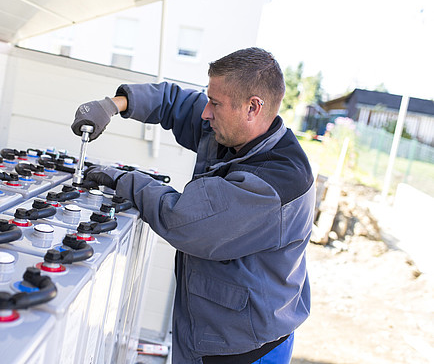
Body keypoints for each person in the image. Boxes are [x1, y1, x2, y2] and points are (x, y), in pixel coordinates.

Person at [72, 47, 314, 364]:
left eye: (215, 104)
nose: (205, 113)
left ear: (252, 107)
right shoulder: (234, 131)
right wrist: (112, 105)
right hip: (207, 331)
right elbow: (176, 103)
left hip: (242, 348)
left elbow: (188, 220)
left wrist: (123, 180)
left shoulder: (278, 182)